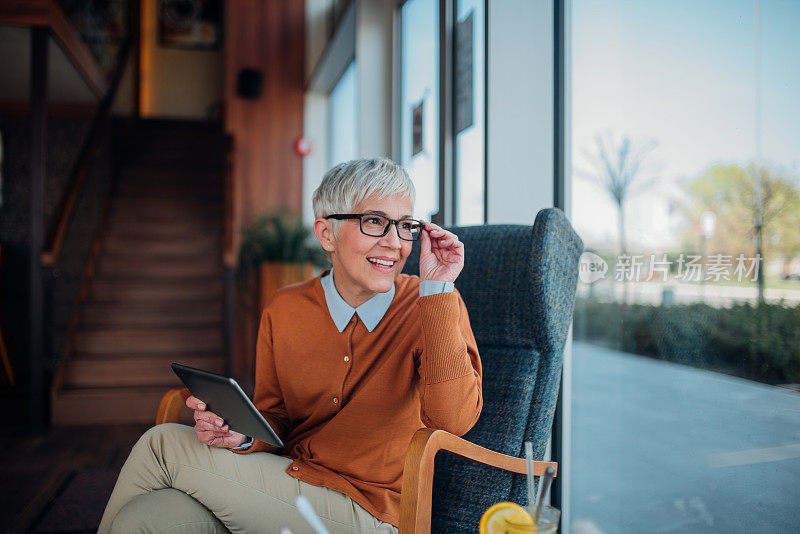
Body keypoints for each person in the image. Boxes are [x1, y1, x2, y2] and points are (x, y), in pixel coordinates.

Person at [98, 157, 482, 533]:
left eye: (405, 226)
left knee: (162, 444)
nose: (395, 243)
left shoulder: (433, 304)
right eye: (375, 222)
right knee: (142, 519)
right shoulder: (285, 307)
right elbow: (275, 416)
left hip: (370, 511)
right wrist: (242, 435)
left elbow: (453, 422)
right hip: (283, 482)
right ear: (325, 234)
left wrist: (438, 290)